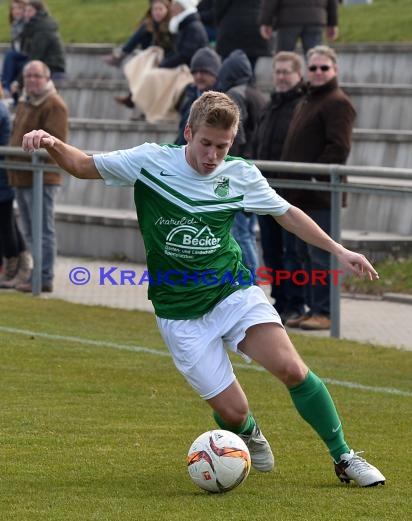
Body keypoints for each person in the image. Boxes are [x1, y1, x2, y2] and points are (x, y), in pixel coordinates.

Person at [22, 91, 386, 488]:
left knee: (292, 369)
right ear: (188, 132)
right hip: (179, 312)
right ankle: (246, 430)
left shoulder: (240, 174)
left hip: (231, 291)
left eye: (223, 146)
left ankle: (345, 457)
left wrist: (338, 249)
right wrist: (52, 142)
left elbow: (288, 215)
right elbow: (82, 165)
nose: (213, 155)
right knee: (233, 413)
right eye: (206, 144)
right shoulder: (151, 161)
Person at [280, 45, 356, 331]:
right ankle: (312, 308)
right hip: (301, 193)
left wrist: (313, 177)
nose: (319, 72)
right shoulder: (308, 100)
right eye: (313, 68)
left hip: (321, 195)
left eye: (324, 68)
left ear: (334, 70)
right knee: (303, 255)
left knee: (320, 256)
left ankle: (324, 312)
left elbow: (339, 147)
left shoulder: (337, 102)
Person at [252, 51, 306, 322]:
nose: (282, 77)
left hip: (289, 192)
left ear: (298, 75)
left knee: (292, 252)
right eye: (278, 71)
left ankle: (296, 303)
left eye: (287, 72)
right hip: (266, 190)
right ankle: (281, 301)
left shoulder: (302, 105)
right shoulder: (270, 105)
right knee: (271, 250)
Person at [8, 60, 68, 293]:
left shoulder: (54, 104)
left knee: (42, 229)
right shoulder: (26, 101)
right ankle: (37, 272)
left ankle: (44, 276)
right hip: (21, 176)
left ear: (47, 78)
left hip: (42, 177)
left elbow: (56, 144)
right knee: (30, 229)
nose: (32, 80)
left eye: (36, 76)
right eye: (28, 76)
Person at [216, 49, 268, 278]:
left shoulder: (234, 95)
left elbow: (236, 137)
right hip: (255, 169)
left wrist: (224, 167)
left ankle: (249, 283)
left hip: (239, 171)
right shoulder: (257, 93)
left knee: (240, 232)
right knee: (246, 231)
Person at [104, 0, 174, 109]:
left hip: (167, 58)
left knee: (144, 65)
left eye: (160, 9)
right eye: (155, 9)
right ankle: (122, 55)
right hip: (151, 56)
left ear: (167, 10)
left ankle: (121, 55)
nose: (157, 12)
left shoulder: (171, 25)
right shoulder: (149, 24)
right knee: (142, 62)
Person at [0, 84, 31, 289]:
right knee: (7, 221)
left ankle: (13, 266)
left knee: (4, 223)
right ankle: (21, 263)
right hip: (5, 170)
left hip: (2, 172)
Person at [175, 46, 221, 145]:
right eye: (195, 72)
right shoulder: (189, 98)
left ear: (215, 74)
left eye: (204, 72)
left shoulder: (221, 103)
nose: (199, 76)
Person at [259, 0, 339, 54]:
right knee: (314, 56)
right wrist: (332, 23)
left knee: (284, 57)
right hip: (314, 18)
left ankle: (285, 79)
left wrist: (266, 22)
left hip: (288, 20)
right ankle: (317, 78)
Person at [215, 0, 271, 71]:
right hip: (254, 27)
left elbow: (219, 8)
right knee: (249, 70)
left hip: (231, 29)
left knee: (228, 72)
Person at [1, 0, 28, 96]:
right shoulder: (15, 25)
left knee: (10, 55)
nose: (16, 11)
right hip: (19, 59)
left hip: (29, 57)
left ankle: (5, 88)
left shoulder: (28, 25)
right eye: (13, 8)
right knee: (11, 69)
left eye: (19, 8)